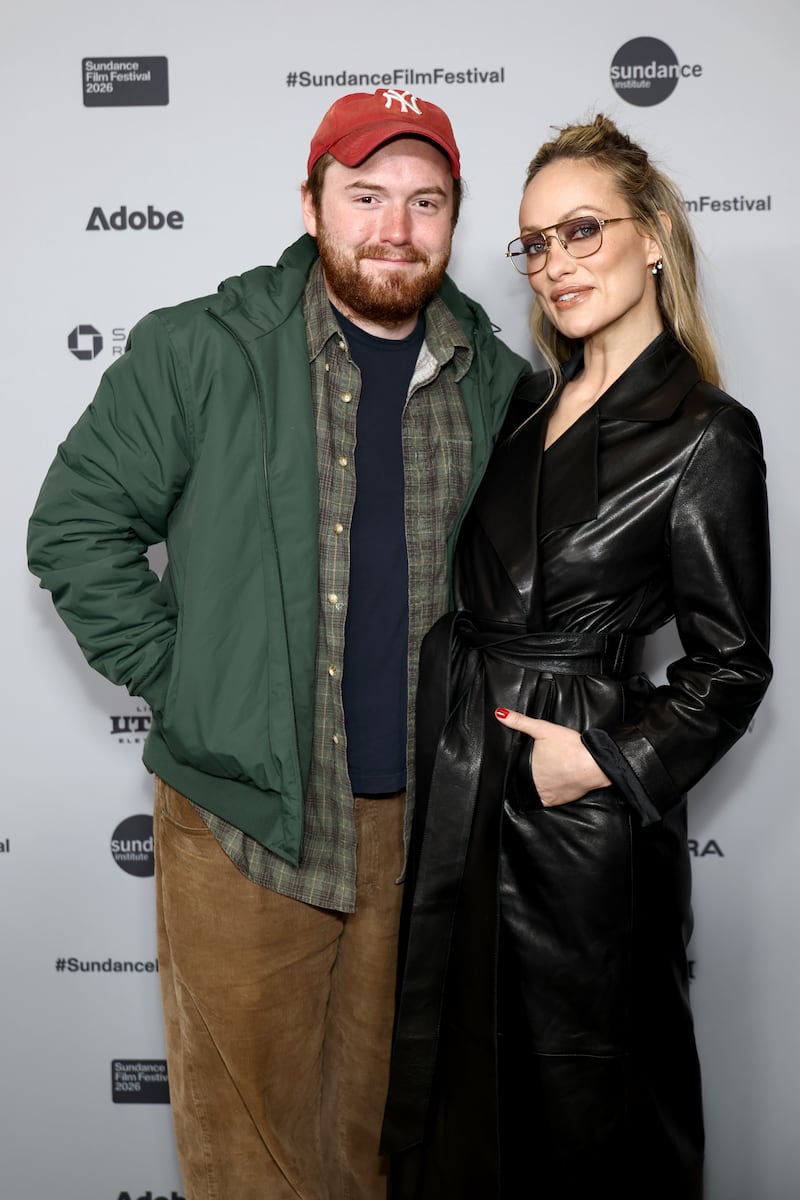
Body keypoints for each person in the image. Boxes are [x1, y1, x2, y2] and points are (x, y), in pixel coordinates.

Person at [26, 89, 531, 1200]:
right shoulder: (202, 349)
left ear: (454, 219)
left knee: (386, 1155)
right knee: (248, 1165)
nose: (394, 228)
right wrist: (193, 688)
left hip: (425, 833)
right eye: (365, 196)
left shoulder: (496, 381)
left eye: (425, 202)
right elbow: (74, 529)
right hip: (245, 820)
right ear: (310, 205)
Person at [381, 114, 772, 1200]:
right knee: (466, 1106)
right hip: (467, 786)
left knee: (586, 1113)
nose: (556, 263)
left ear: (653, 239)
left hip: (577, 824)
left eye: (583, 230)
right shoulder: (525, 406)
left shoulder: (704, 431)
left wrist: (599, 762)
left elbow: (732, 667)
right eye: (536, 242)